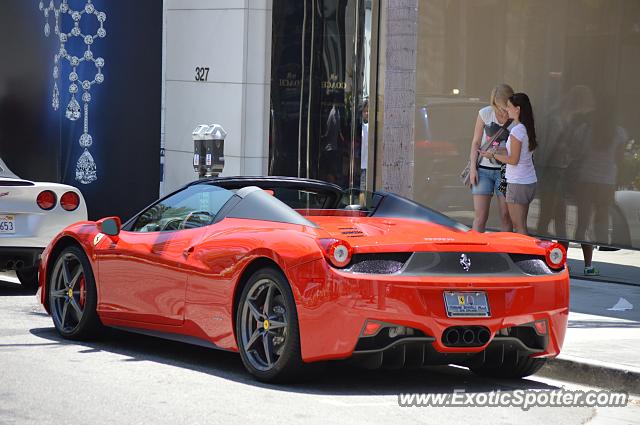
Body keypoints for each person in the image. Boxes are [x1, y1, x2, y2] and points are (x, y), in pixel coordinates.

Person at [482, 92, 537, 235]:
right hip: (527, 181)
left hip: (517, 182)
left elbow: (513, 160)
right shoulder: (525, 128)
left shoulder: (516, 130)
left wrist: (493, 154)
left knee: (519, 227)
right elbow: (517, 152)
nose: (507, 109)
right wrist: (498, 150)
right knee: (522, 225)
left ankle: (523, 256)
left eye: (509, 106)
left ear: (517, 109)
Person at [468, 83, 515, 232]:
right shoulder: (485, 113)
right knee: (480, 217)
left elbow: (518, 150)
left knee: (506, 215)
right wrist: (472, 169)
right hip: (483, 170)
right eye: (498, 107)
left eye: (505, 106)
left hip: (505, 171)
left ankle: (505, 252)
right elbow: (475, 142)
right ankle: (475, 253)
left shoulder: (516, 116)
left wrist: (498, 152)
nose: (502, 111)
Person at [360, 98, 369, 189]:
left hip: (366, 165)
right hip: (360, 164)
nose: (367, 113)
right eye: (365, 111)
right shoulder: (361, 127)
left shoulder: (370, 127)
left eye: (368, 111)